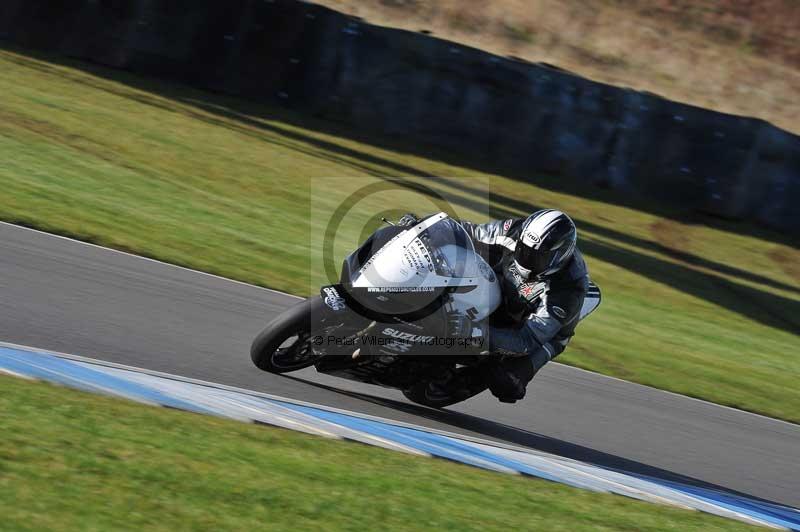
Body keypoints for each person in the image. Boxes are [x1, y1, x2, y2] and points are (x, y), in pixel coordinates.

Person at [452, 210, 589, 403]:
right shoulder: (515, 229)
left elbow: (527, 340)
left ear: (558, 256)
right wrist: (426, 228)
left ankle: (474, 373)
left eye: (537, 256)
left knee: (507, 383)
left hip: (543, 334)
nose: (526, 259)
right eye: (524, 249)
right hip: (508, 291)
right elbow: (469, 231)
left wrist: (476, 332)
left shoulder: (568, 288)